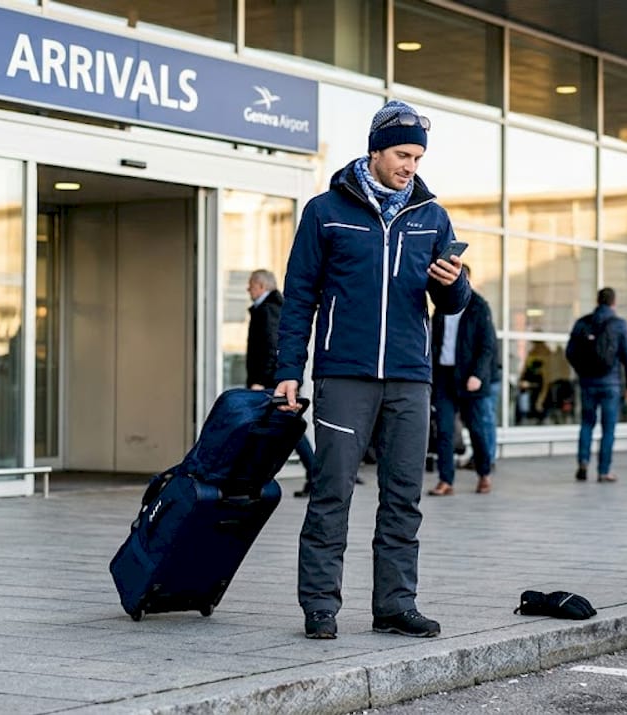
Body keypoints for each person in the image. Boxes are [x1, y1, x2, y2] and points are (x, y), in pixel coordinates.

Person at [273, 100, 471, 641]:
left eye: (418, 156)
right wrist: (289, 368)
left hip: (410, 376)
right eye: (403, 154)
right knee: (332, 491)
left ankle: (394, 605)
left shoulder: (431, 216)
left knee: (404, 494)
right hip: (344, 374)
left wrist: (452, 282)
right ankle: (319, 606)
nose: (412, 165)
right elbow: (299, 299)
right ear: (376, 151)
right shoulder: (325, 211)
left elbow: (454, 303)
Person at [244, 269, 324, 498]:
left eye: (251, 284)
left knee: (285, 429)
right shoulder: (270, 307)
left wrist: (261, 380)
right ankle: (313, 475)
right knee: (285, 429)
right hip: (275, 380)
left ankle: (312, 474)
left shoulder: (267, 309)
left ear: (260, 286)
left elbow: (270, 348)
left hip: (271, 383)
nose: (248, 289)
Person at [427, 264, 499, 496]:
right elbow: (434, 341)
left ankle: (484, 474)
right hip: (445, 376)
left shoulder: (479, 306)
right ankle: (446, 480)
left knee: (477, 430)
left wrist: (477, 375)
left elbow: (487, 346)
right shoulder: (441, 306)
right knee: (445, 431)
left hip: (471, 378)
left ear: (466, 279)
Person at [567, 287, 627, 483]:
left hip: (587, 383)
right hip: (611, 384)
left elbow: (570, 352)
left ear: (597, 301)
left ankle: (583, 462)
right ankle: (604, 471)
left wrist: (581, 371)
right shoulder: (620, 325)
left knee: (587, 424)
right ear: (614, 302)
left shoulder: (583, 323)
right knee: (608, 428)